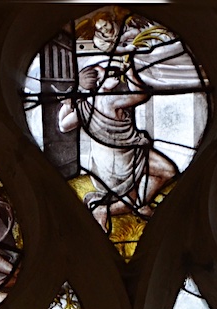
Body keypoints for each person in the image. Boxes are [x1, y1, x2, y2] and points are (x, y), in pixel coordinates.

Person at [57, 62, 177, 231]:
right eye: (103, 73)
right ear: (97, 83)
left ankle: (132, 206)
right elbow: (141, 94)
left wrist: (67, 104)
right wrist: (130, 72)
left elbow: (63, 126)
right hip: (123, 162)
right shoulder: (109, 100)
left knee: (141, 191)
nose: (111, 73)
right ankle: (111, 208)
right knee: (168, 171)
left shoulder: (86, 105)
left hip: (105, 165)